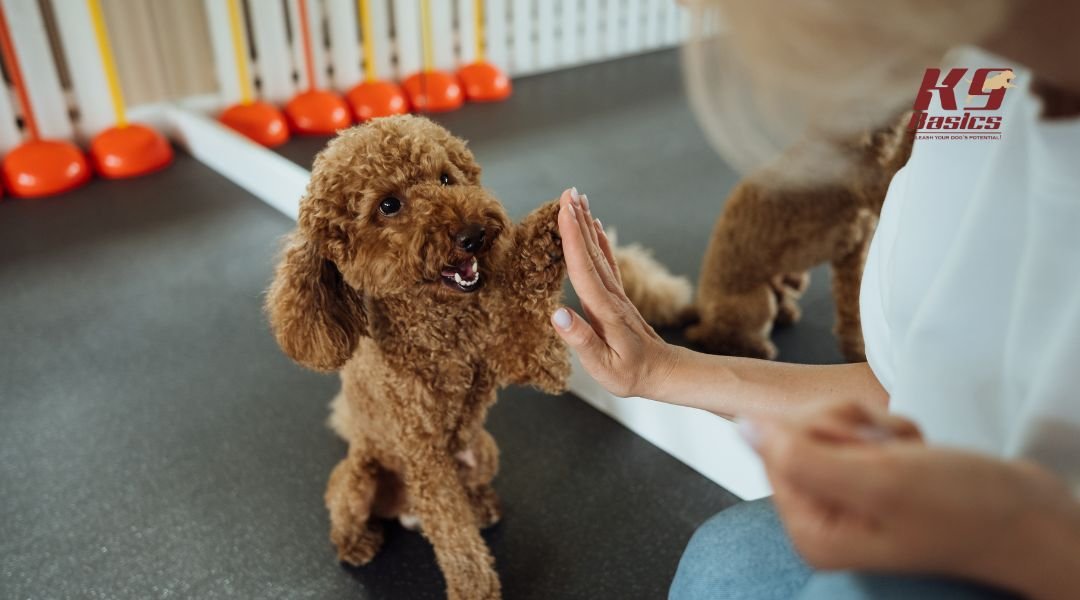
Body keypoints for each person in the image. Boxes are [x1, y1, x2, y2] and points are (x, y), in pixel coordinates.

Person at [548, 1, 1080, 598]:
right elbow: (916, 390)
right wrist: (661, 370)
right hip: (978, 508)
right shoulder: (967, 76)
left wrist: (1027, 539)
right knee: (726, 562)